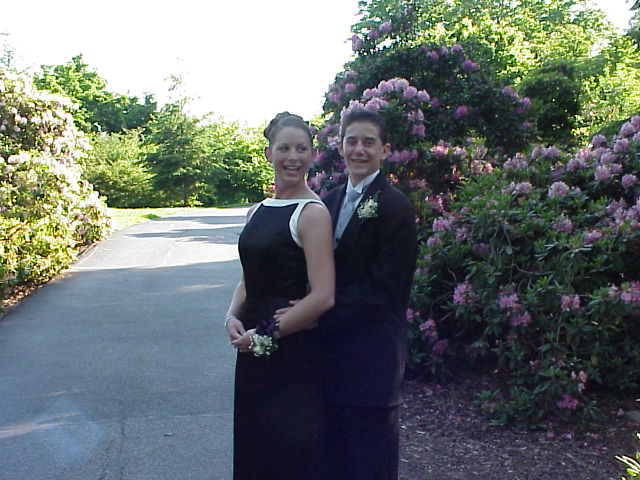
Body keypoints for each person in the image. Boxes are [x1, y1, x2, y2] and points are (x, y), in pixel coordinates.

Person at [224, 112, 335, 480]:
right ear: (268, 153)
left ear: (312, 154)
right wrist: (231, 316)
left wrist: (266, 333)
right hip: (251, 348)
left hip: (293, 352)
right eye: (284, 148)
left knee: (290, 452)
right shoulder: (256, 211)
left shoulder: (312, 214)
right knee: (254, 445)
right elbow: (248, 277)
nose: (293, 157)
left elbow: (323, 295)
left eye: (302, 149)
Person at [320, 109, 417, 480]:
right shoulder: (327, 202)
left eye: (368, 142)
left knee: (371, 464)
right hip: (329, 360)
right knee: (334, 463)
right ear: (340, 146)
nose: (359, 150)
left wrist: (319, 311)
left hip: (372, 362)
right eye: (352, 141)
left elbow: (386, 289)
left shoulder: (396, 207)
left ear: (384, 149)